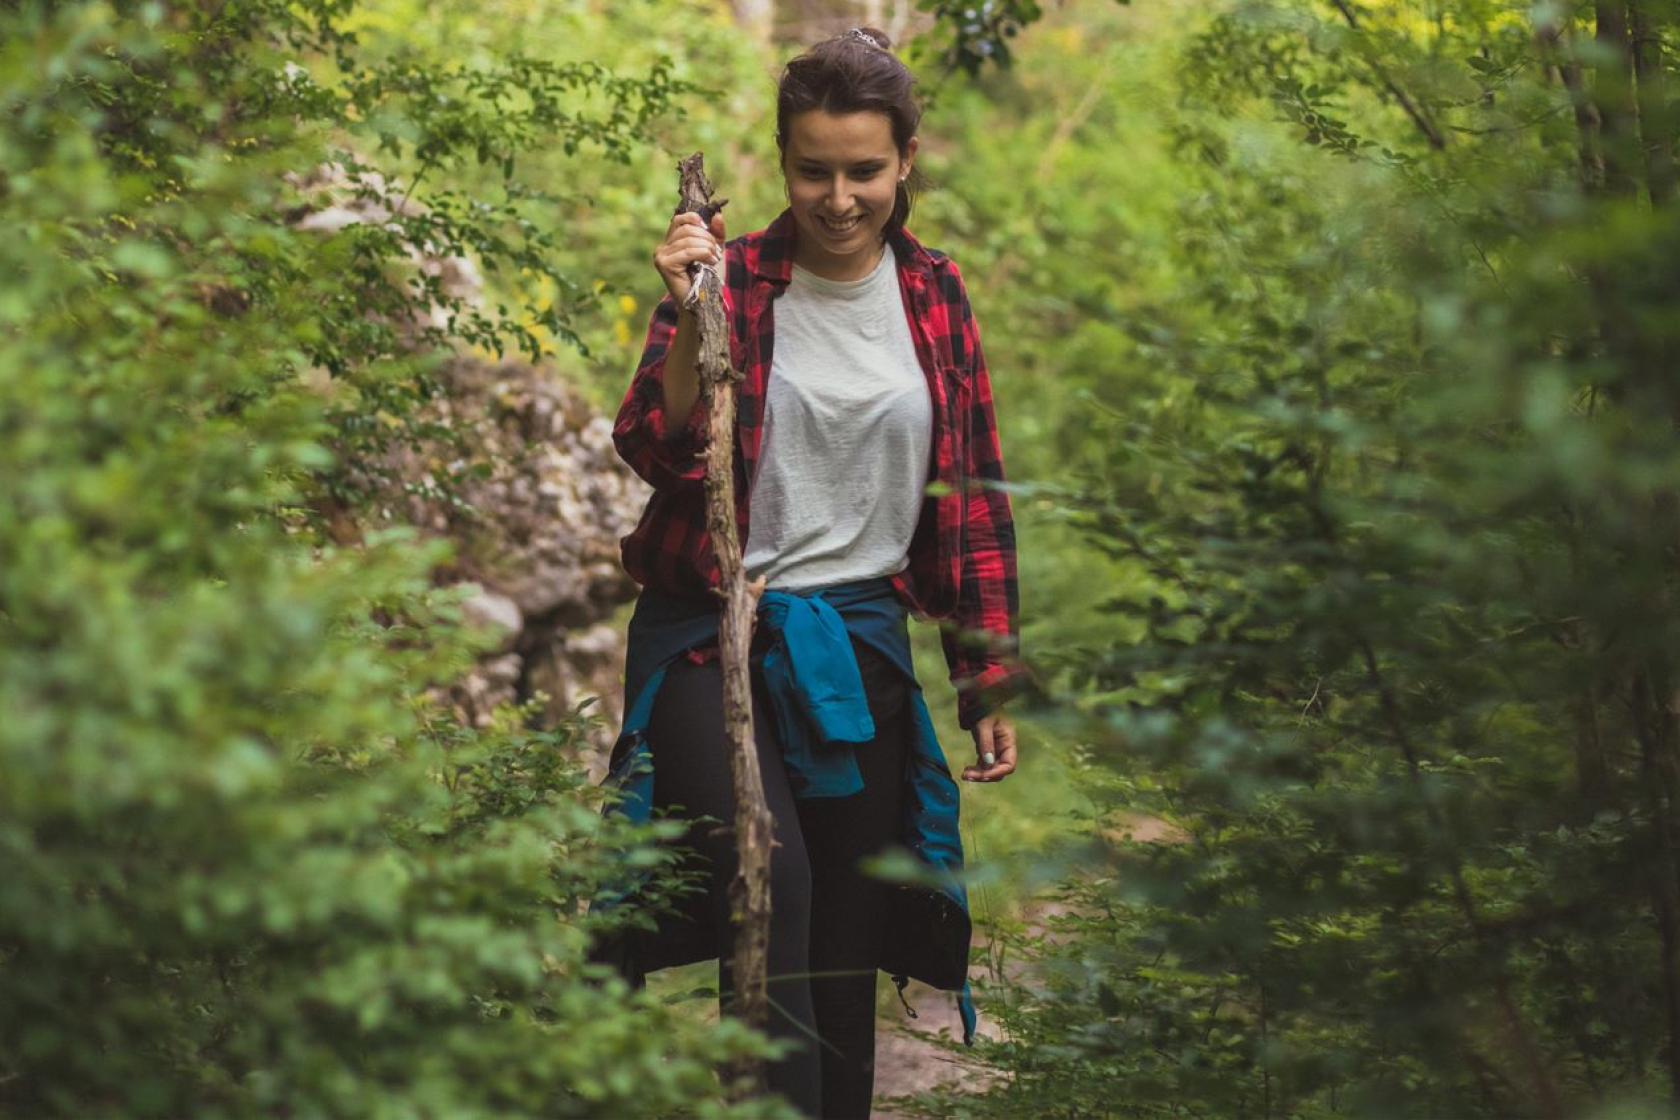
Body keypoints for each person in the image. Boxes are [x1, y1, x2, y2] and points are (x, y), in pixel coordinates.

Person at [596, 26, 1026, 1119]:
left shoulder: (934, 291)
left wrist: (985, 677)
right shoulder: (730, 280)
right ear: (784, 161)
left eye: (865, 170)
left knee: (845, 930)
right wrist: (692, 314)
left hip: (862, 642)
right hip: (713, 630)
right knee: (767, 879)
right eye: (814, 169)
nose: (839, 196)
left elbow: (970, 490)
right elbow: (652, 442)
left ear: (907, 161)